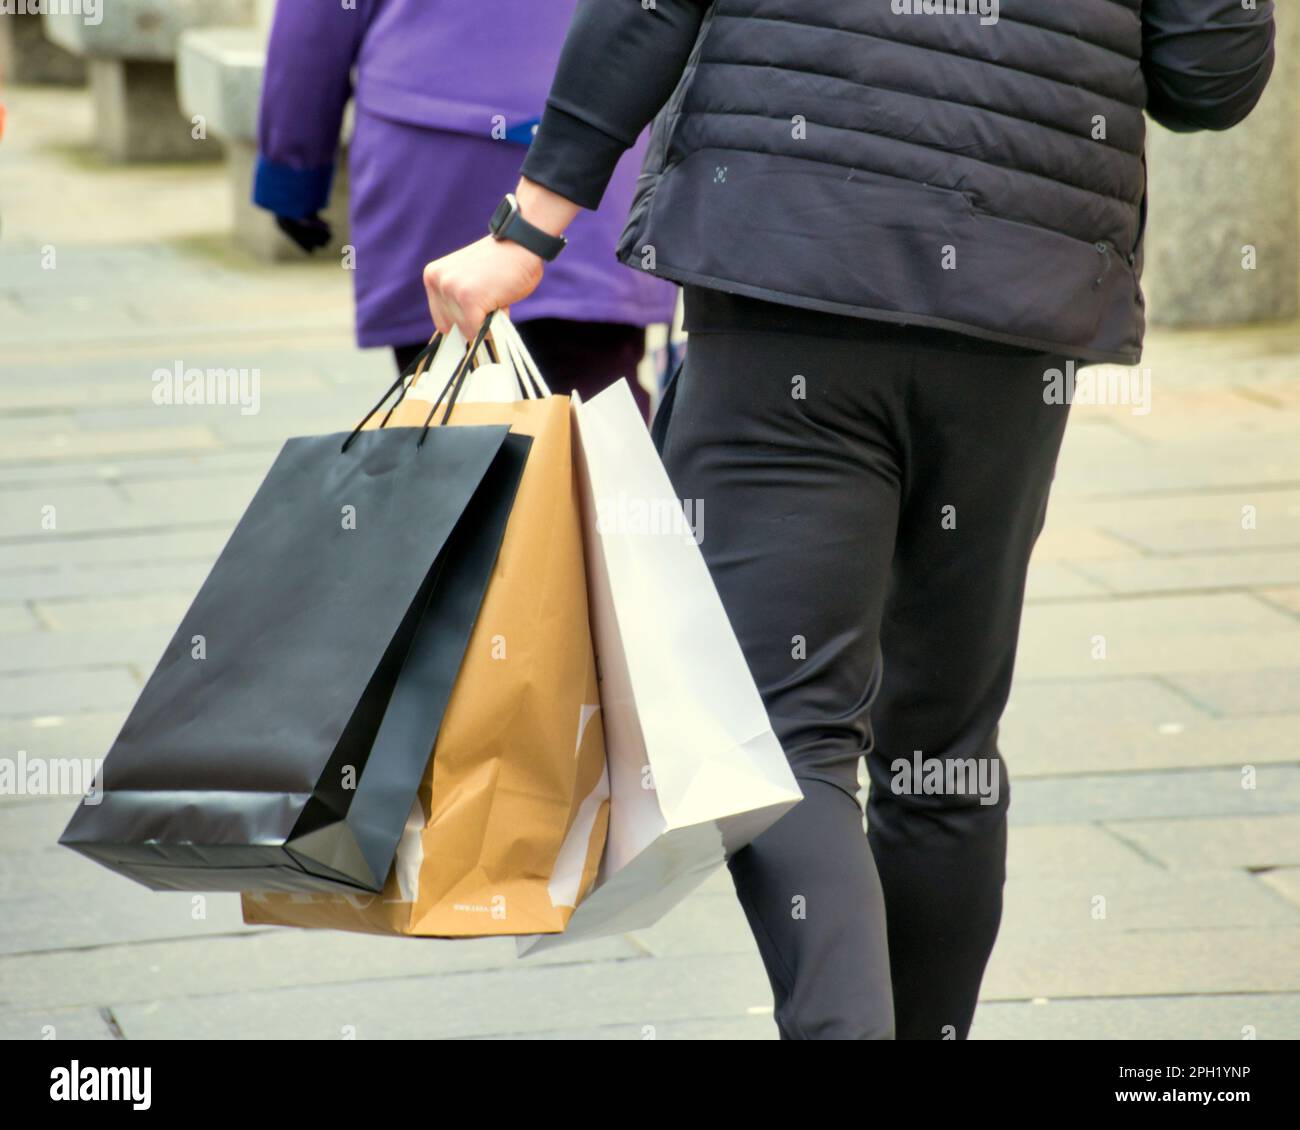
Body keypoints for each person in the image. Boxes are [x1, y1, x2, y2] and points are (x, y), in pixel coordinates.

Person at [423, 1, 1277, 1039]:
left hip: (792, 265)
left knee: (781, 732)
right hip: (1018, 297)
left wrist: (527, 231)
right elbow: (1210, 75)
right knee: (942, 751)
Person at [251, 0, 676, 412]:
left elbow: (311, 26)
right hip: (603, 157)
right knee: (596, 414)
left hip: (430, 152)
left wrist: (292, 176)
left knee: (439, 405)